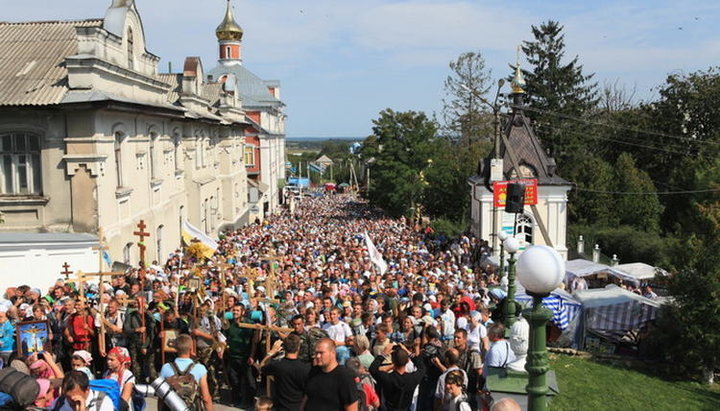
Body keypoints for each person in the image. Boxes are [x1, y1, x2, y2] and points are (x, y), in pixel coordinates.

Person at [158, 334, 213, 411]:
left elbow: (161, 396)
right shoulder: (200, 368)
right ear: (191, 349)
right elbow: (206, 398)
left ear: (175, 349)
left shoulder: (166, 368)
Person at [302, 338, 358, 411]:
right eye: (316, 353)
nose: (318, 356)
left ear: (333, 353)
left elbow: (352, 408)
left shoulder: (344, 377)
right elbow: (306, 397)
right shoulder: (313, 372)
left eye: (321, 353)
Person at [260, 334, 311, 411]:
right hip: (298, 407)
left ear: (284, 348)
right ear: (298, 348)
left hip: (280, 407)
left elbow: (262, 367)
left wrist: (272, 352)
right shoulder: (306, 368)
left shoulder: (277, 365)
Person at [369, 342, 426, 411]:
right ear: (407, 361)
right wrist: (408, 353)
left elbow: (372, 369)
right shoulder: (413, 378)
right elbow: (422, 367)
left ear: (393, 361)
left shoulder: (387, 378)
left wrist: (384, 353)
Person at [224, 303, 257, 408]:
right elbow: (225, 338)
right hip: (233, 356)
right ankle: (236, 398)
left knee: (249, 381)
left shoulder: (249, 324)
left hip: (245, 357)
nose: (235, 312)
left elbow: (254, 341)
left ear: (243, 312)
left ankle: (249, 401)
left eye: (237, 310)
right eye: (234, 310)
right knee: (234, 380)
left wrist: (252, 355)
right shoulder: (230, 324)